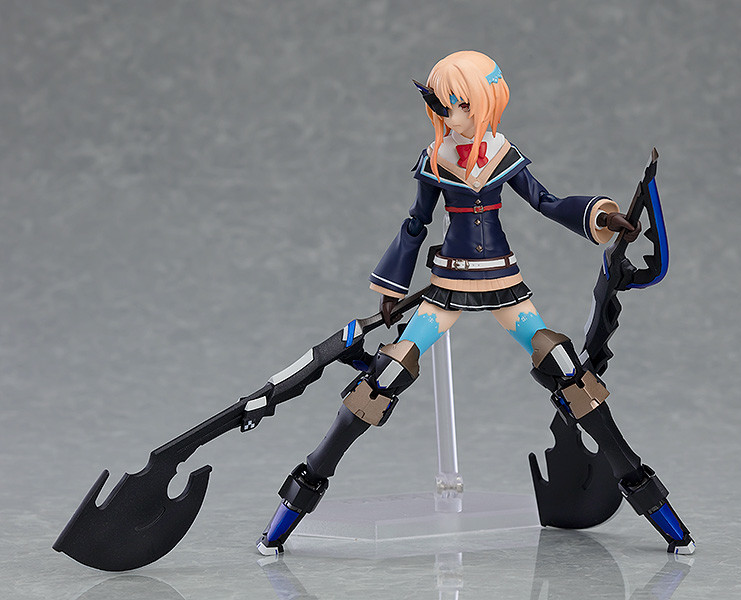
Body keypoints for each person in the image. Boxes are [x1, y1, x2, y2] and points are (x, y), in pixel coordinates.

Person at [257, 50, 694, 555]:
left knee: (566, 369)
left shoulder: (502, 154)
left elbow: (548, 202)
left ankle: (644, 492)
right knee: (384, 377)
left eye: (459, 105)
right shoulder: (435, 159)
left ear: (485, 103)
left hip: (503, 280)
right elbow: (416, 224)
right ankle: (299, 495)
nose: (450, 116)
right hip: (448, 284)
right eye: (441, 106)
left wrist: (601, 217)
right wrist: (391, 286)